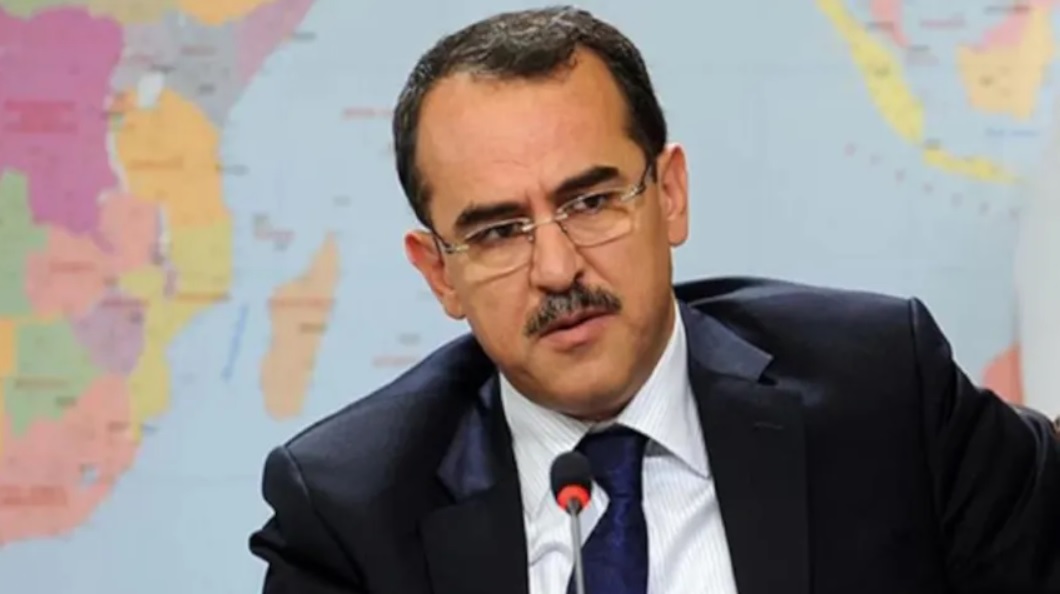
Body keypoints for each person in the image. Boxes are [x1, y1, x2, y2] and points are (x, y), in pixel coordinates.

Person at [248, 6, 1060, 594]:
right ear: (438, 274)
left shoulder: (881, 391)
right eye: (497, 232)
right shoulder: (352, 513)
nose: (558, 269)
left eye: (592, 202)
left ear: (669, 196)